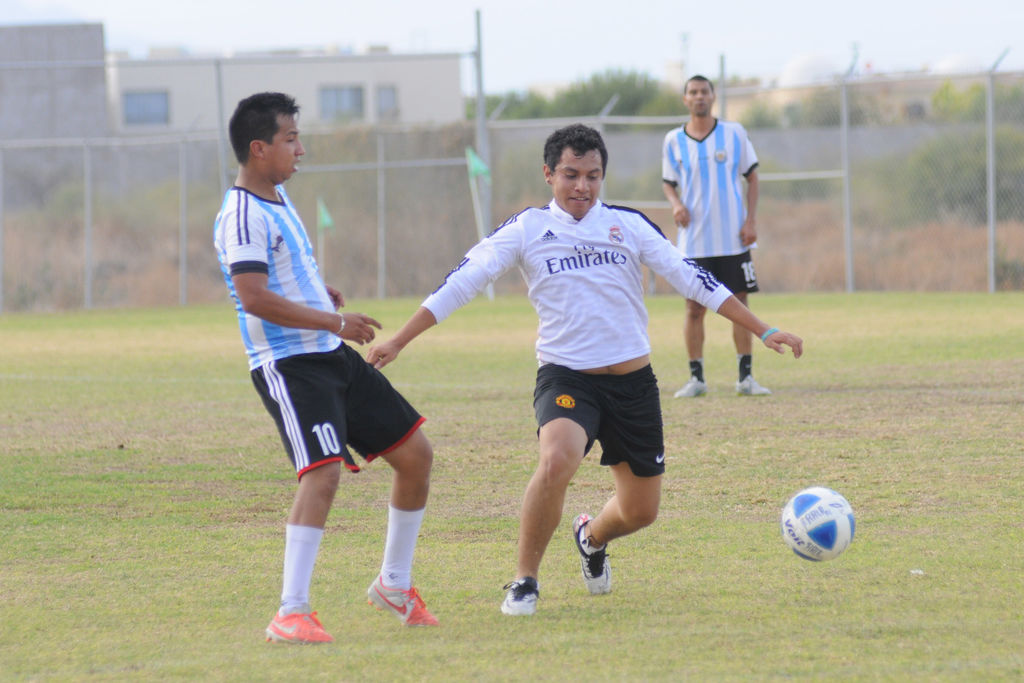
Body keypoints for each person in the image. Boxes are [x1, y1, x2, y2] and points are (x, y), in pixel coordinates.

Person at [367, 123, 802, 616]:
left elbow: (695, 279)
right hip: (567, 378)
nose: (582, 187)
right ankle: (524, 581)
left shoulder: (628, 224)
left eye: (593, 176)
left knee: (641, 511)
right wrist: (400, 338)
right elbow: (462, 282)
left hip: (633, 384)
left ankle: (591, 538)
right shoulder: (527, 228)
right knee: (556, 460)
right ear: (549, 174)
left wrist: (763, 330)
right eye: (571, 175)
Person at [213, 92, 438, 644]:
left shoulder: (278, 199)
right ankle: (290, 612)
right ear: (259, 147)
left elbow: (282, 275)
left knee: (415, 455)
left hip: (325, 352)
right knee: (322, 473)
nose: (301, 148)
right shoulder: (241, 214)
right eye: (291, 139)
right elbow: (253, 297)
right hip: (290, 364)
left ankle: (394, 583)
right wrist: (333, 321)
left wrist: (320, 294)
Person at [661, 74, 768, 398]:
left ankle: (745, 377)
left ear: (712, 96)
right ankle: (697, 379)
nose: (699, 97)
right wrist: (676, 204)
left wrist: (750, 221)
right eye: (692, 92)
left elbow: (752, 177)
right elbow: (668, 182)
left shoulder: (734, 133)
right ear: (685, 99)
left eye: (704, 91)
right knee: (694, 309)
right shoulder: (673, 140)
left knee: (740, 304)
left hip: (733, 239)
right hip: (695, 242)